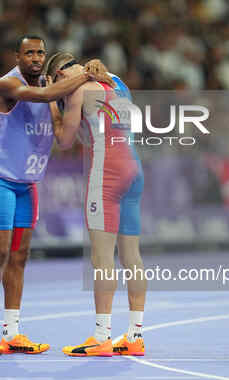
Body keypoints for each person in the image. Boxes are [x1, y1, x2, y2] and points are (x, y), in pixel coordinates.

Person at [0, 36, 110, 355]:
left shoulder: (50, 88)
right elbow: (44, 94)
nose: (35, 57)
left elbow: (61, 127)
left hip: (27, 183)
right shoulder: (7, 85)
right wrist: (86, 74)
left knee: (20, 257)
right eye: (29, 53)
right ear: (17, 56)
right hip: (0, 178)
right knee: (0, 253)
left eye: (40, 53)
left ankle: (13, 332)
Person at [44, 53, 147, 357]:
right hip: (134, 169)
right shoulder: (116, 80)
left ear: (60, 76)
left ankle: (102, 335)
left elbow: (63, 140)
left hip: (107, 174)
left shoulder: (76, 90)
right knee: (132, 257)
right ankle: (135, 335)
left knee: (102, 258)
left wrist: (52, 103)